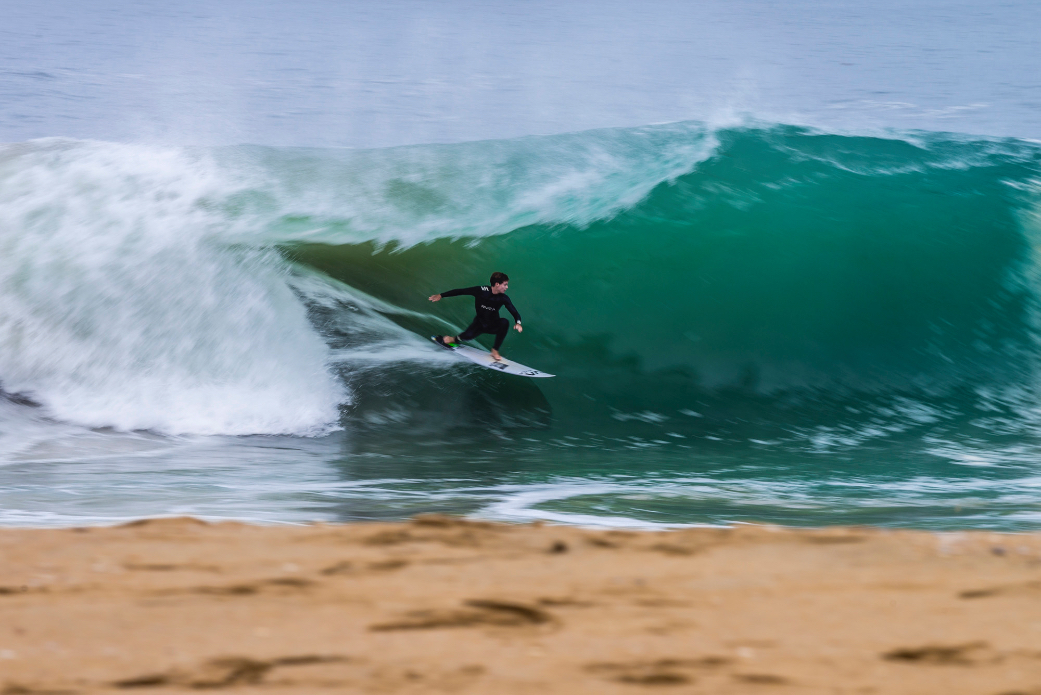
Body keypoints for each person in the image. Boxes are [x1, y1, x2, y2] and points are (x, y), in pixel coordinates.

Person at [429, 271, 523, 361]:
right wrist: (441, 295)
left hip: (493, 325)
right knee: (467, 336)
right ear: (497, 284)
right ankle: (452, 339)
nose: (507, 287)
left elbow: (514, 311)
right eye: (505, 284)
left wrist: (518, 322)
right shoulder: (481, 291)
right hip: (479, 323)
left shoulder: (504, 298)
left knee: (504, 322)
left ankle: (495, 350)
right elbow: (461, 291)